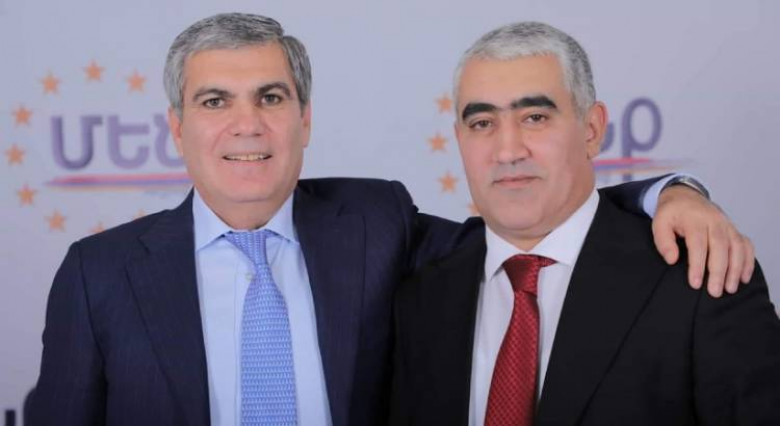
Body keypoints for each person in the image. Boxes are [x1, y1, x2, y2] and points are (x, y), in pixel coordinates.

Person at [30, 14, 755, 426]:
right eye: (215, 101)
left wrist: (669, 194)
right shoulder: (99, 276)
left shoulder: (376, 223)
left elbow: (531, 222)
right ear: (176, 127)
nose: (247, 125)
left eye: (272, 98)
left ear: (305, 119)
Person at [390, 21, 780, 425]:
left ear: (592, 130)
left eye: (535, 117)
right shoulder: (419, 297)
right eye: (482, 123)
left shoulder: (703, 277)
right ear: (459, 139)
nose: (507, 151)